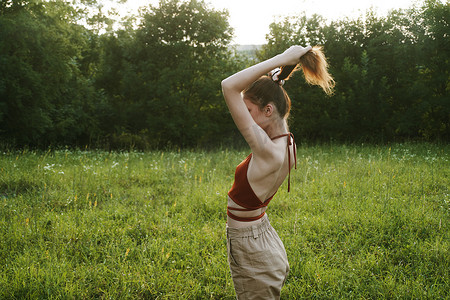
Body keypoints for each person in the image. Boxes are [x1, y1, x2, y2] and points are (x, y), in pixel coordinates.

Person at [221, 45, 334, 299]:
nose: (244, 116)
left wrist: (282, 59)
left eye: (249, 111)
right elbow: (265, 108)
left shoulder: (267, 152)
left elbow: (228, 86)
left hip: (249, 242)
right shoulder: (289, 144)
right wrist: (278, 78)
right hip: (262, 233)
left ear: (268, 110)